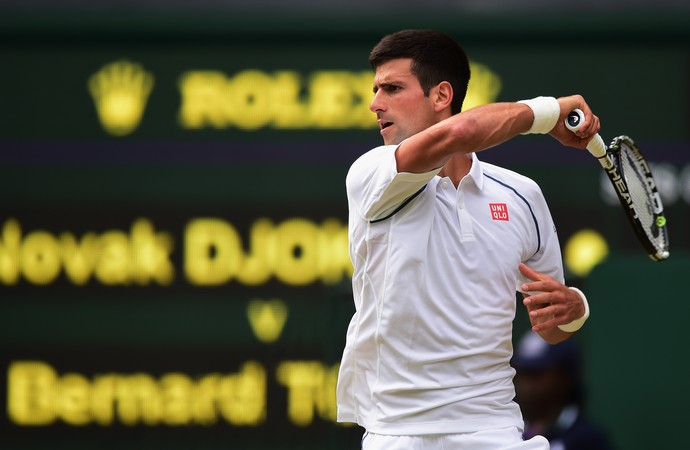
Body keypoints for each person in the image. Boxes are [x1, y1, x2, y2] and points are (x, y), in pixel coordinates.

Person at [335, 29, 599, 450]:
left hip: (492, 431)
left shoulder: (522, 196)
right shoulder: (371, 173)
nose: (375, 103)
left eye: (392, 88)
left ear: (441, 96)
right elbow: (460, 134)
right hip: (398, 434)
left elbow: (553, 327)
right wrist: (550, 112)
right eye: (375, 90)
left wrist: (575, 309)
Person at [513, 331, 613, 450]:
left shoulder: (589, 440)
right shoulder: (509, 434)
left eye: (535, 374)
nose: (525, 384)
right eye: (521, 373)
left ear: (565, 378)